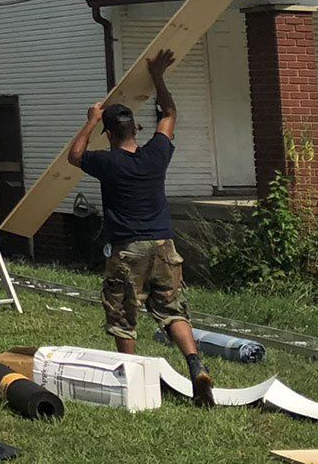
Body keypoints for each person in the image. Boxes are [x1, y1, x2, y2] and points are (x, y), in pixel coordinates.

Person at [68, 49, 215, 406]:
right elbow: (170, 114)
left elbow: (74, 156)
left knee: (123, 314)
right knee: (172, 310)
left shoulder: (107, 162)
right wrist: (158, 76)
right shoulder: (156, 154)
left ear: (108, 133)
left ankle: (133, 381)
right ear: (137, 128)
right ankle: (195, 366)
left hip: (128, 249)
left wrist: (90, 120)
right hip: (164, 245)